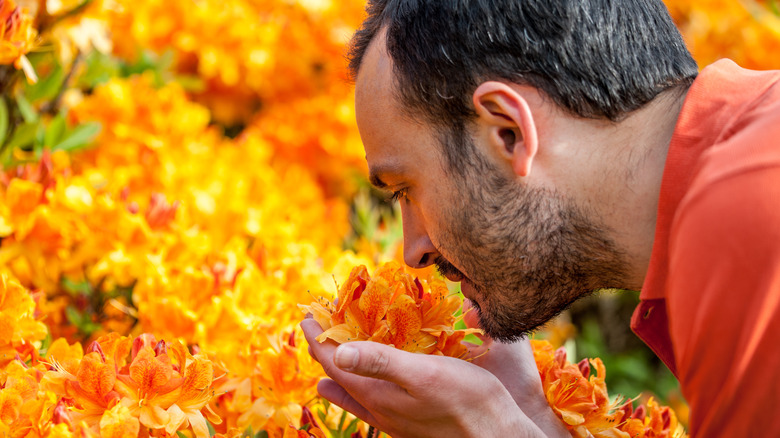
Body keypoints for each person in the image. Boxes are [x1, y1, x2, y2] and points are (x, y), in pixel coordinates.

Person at [300, 0, 780, 436]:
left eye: (406, 189)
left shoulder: (748, 213)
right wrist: (529, 417)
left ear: (508, 132)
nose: (413, 252)